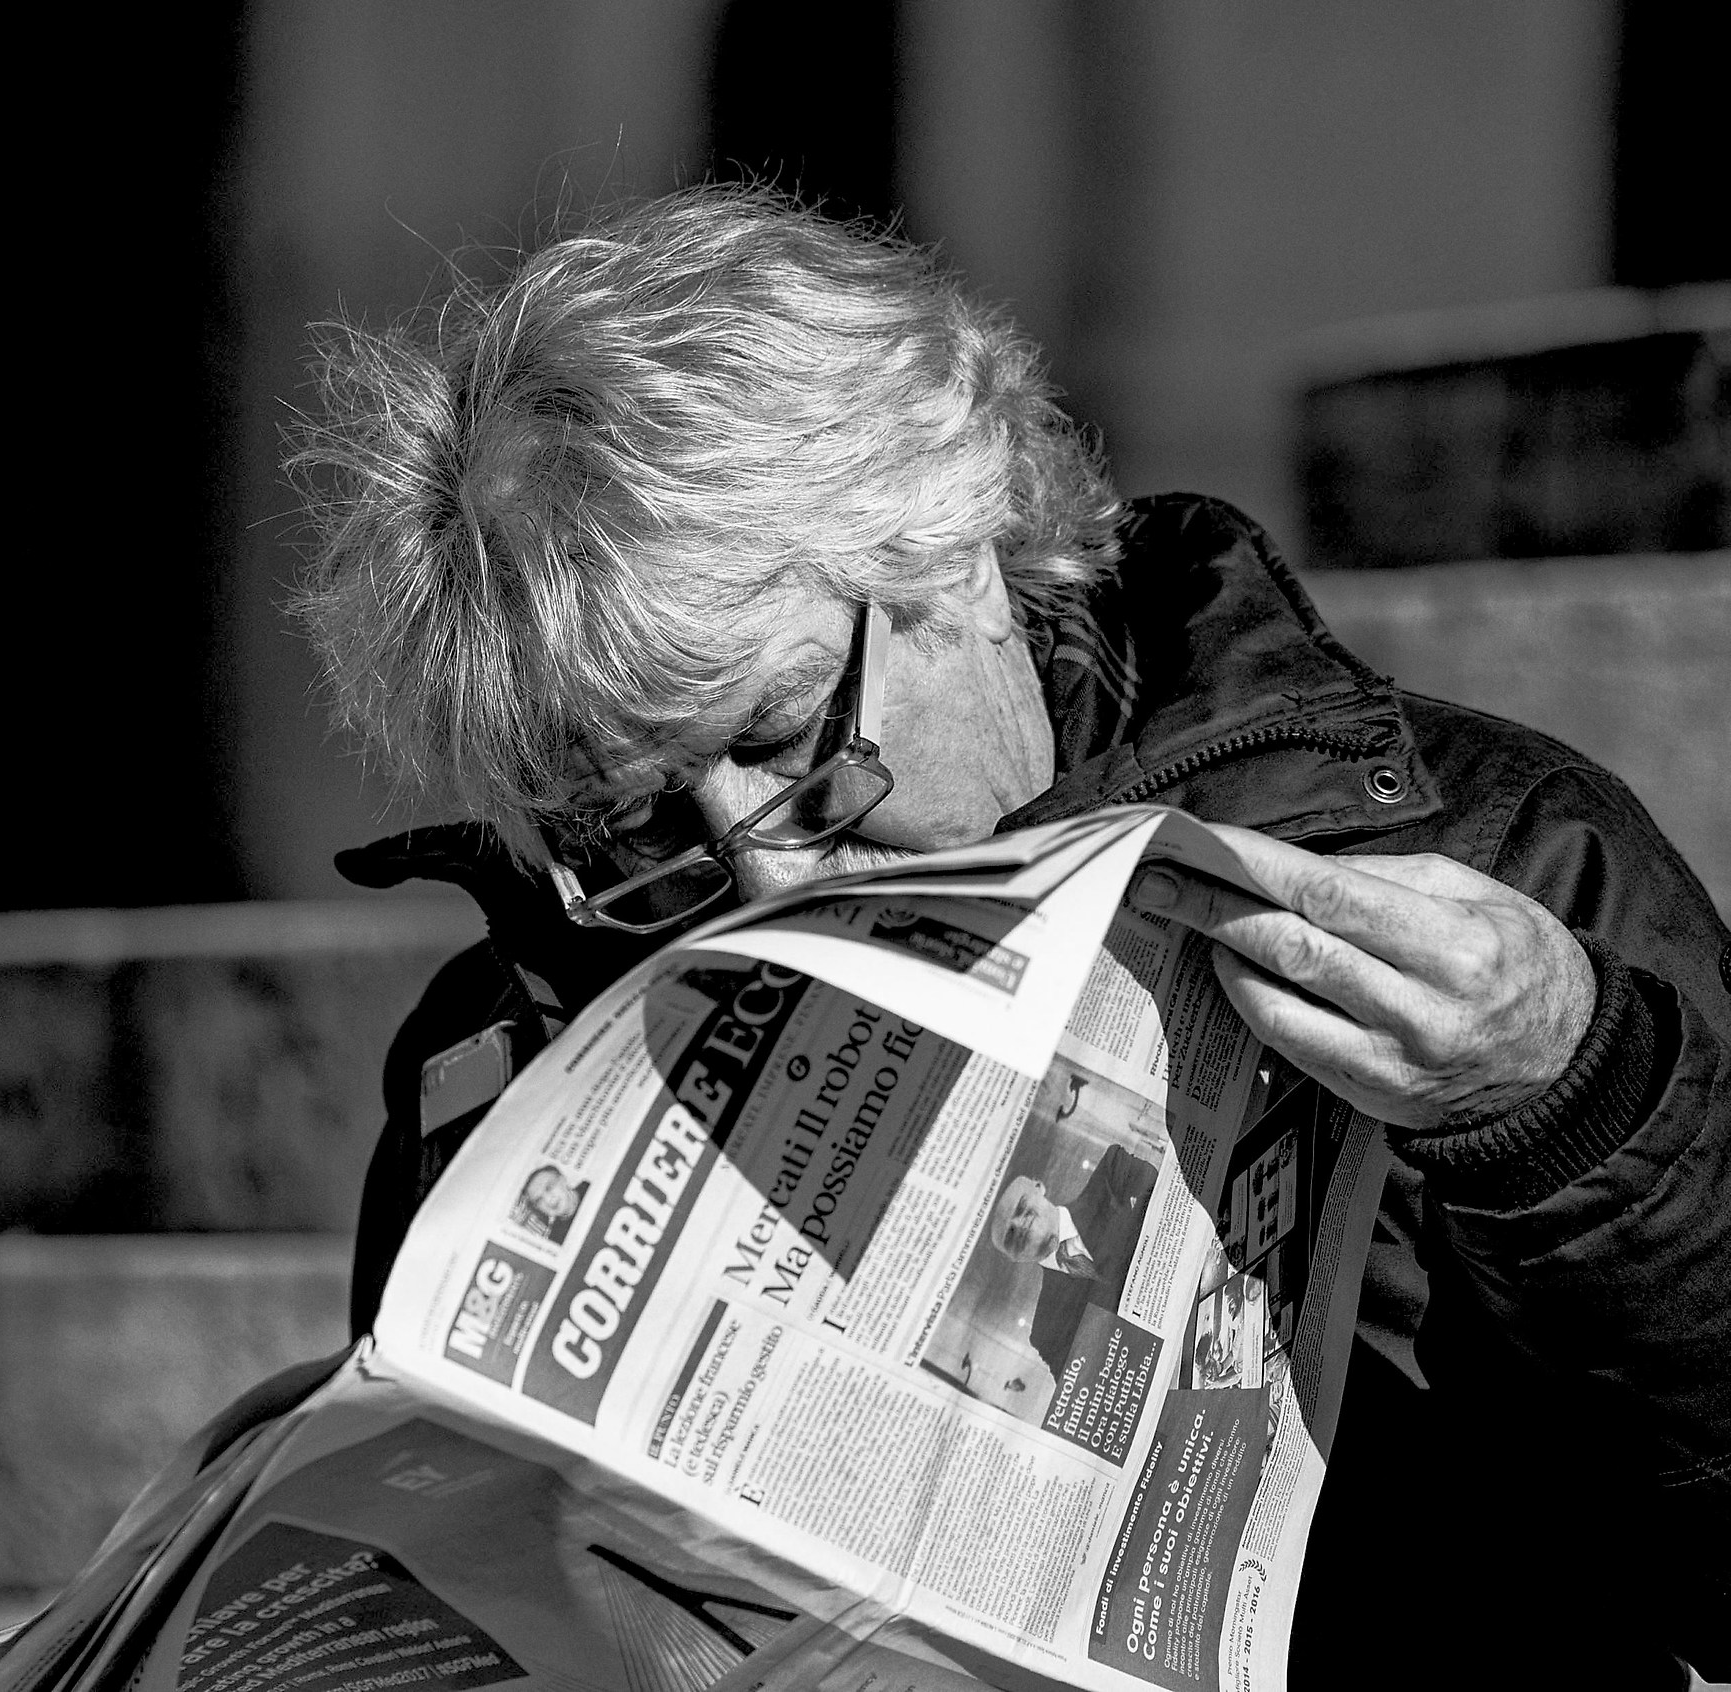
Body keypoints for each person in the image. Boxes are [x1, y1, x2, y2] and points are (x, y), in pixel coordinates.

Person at [291, 186, 1727, 1686]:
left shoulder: (1478, 860)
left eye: (789, 739)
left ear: (956, 553)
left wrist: (1576, 1107)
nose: (765, 872)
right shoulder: (517, 1043)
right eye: (634, 825)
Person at [989, 1152, 1159, 1379]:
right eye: (1009, 1234)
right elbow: (1089, 1387)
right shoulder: (1047, 1332)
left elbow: (1161, 1193)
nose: (1019, 1224)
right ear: (1014, 1257)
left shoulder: (1112, 1175)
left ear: (1039, 1187)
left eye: (1020, 1207)